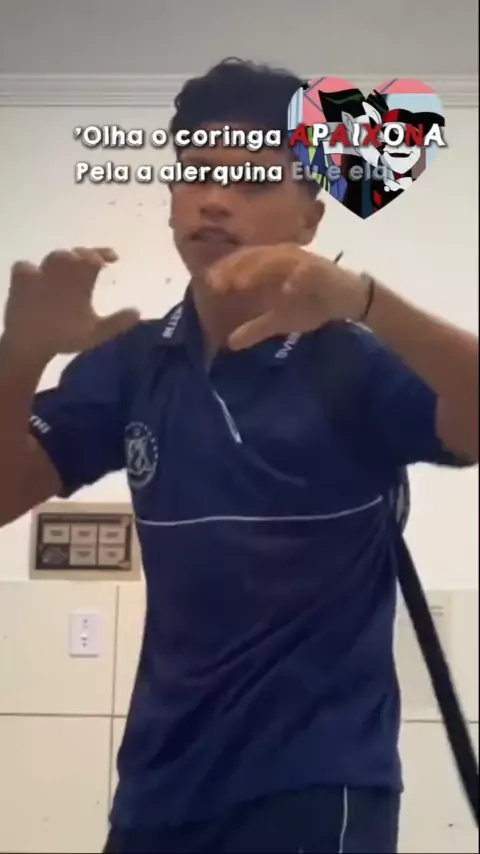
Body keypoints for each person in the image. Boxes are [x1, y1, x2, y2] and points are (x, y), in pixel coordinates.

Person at [0, 58, 477, 854]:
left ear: (310, 219)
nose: (215, 198)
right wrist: (20, 357)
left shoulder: (354, 360)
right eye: (197, 173)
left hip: (317, 786)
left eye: (252, 179)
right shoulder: (130, 364)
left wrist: (366, 300)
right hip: (156, 791)